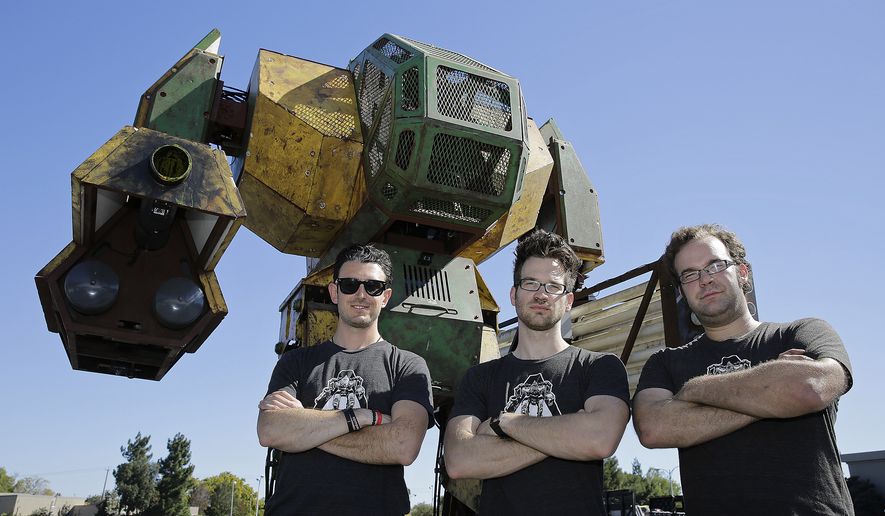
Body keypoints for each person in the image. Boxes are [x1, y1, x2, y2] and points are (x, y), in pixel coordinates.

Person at [633, 224, 853, 515]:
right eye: (690, 274)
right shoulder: (665, 363)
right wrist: (774, 392)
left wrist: (694, 391)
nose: (705, 280)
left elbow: (807, 388)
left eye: (715, 266)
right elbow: (653, 428)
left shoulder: (804, 332)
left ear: (743, 272)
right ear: (682, 292)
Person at [444, 228, 630, 515]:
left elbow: (600, 439)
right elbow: (459, 461)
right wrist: (569, 435)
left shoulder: (599, 367)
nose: (541, 294)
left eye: (553, 286)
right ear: (513, 294)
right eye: (530, 283)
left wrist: (503, 424)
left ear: (568, 301)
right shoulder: (480, 378)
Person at [257, 244, 433, 515]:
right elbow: (270, 430)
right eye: (350, 284)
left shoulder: (407, 366)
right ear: (334, 292)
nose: (361, 294)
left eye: (372, 286)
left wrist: (304, 428)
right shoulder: (296, 362)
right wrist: (361, 417)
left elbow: (403, 445)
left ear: (385, 296)